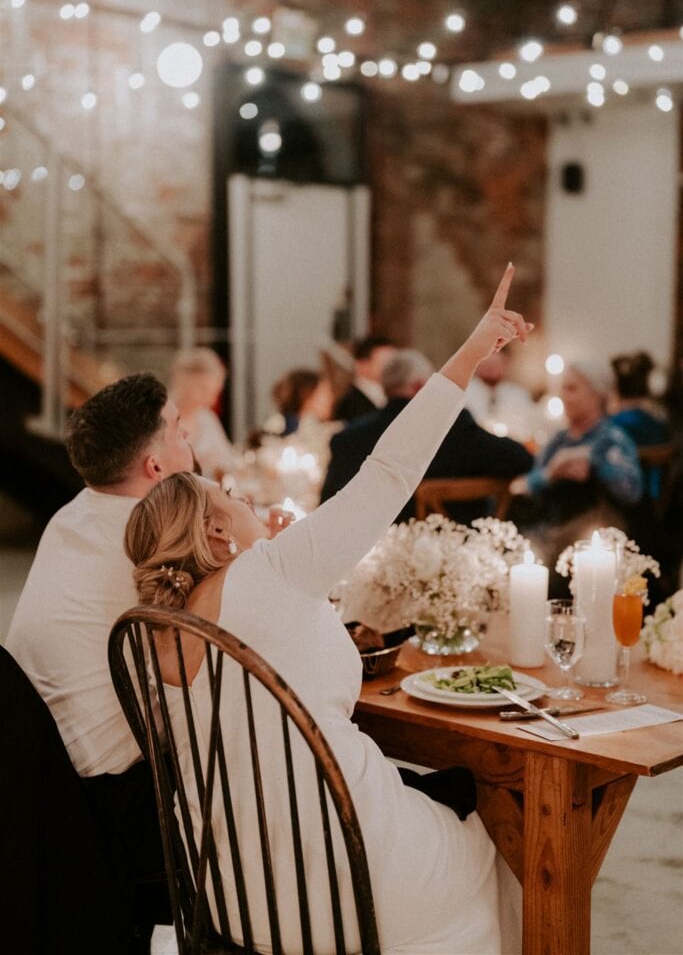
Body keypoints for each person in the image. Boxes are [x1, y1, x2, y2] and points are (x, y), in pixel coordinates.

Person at [124, 264, 529, 955]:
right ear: (218, 535)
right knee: (509, 841)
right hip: (356, 885)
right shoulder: (273, 571)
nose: (249, 506)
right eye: (236, 501)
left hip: (240, 896)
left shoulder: (153, 629)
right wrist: (471, 350)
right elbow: (391, 470)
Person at [5, 373, 196, 953]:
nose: (192, 445)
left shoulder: (71, 517)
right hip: (123, 813)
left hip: (44, 796)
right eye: (182, 433)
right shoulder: (152, 542)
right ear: (156, 467)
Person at [320, 348, 533, 522]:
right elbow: (521, 459)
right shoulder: (455, 428)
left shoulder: (347, 439)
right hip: (452, 557)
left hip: (370, 560)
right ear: (420, 386)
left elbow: (327, 509)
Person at [510, 359, 643, 587]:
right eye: (563, 388)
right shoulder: (558, 441)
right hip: (545, 534)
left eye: (571, 388)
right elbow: (521, 487)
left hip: (589, 541)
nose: (563, 396)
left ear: (596, 395)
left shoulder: (611, 440)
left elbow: (633, 494)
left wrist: (596, 464)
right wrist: (552, 474)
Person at [169, 347, 235, 481]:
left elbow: (228, 460)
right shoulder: (160, 417)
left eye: (214, 392)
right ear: (183, 382)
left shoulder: (207, 418)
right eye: (203, 390)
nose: (210, 399)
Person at [465, 349, 538, 442]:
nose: (491, 371)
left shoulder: (518, 394)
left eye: (495, 365)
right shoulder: (466, 392)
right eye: (487, 365)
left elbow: (526, 429)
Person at [332, 334, 395, 422]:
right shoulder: (350, 404)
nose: (393, 368)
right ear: (362, 365)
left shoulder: (391, 396)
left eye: (394, 362)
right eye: (385, 362)